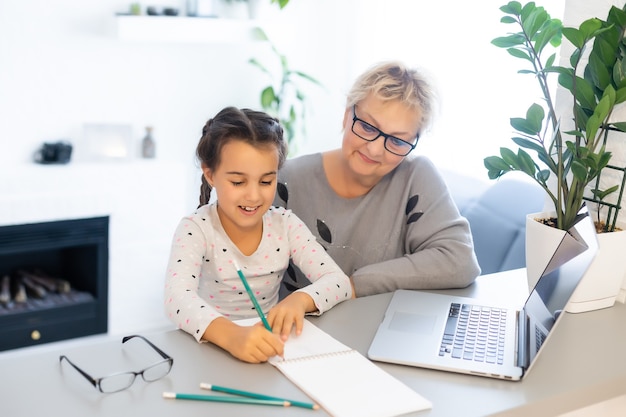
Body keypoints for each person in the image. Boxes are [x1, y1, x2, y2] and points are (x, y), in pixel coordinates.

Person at [273, 61, 481, 297]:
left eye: (397, 141)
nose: (374, 150)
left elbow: (459, 261)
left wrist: (350, 287)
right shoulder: (286, 180)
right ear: (346, 116)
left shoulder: (416, 177)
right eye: (368, 127)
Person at [164, 107, 351, 363]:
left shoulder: (285, 225)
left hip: (266, 349)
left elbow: (338, 281)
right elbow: (177, 299)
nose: (253, 196)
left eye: (265, 182)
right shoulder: (195, 228)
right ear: (210, 175)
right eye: (238, 182)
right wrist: (232, 336)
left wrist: (300, 300)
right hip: (210, 350)